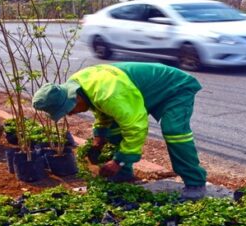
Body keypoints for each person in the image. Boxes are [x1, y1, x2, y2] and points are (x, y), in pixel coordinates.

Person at [32, 62, 208, 200]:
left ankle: (195, 183)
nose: (70, 114)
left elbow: (136, 126)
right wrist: (99, 137)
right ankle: (123, 175)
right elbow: (102, 110)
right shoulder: (79, 85)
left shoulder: (109, 93)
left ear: (74, 97)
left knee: (174, 131)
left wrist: (119, 160)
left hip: (174, 88)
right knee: (114, 130)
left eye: (69, 109)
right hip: (136, 93)